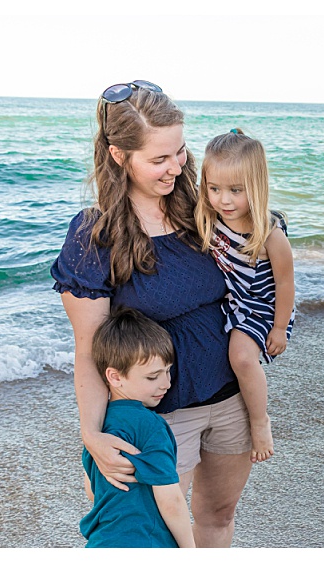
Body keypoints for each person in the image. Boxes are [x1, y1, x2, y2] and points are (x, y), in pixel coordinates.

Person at [52, 80, 253, 547]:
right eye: (159, 160)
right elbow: (90, 350)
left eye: (180, 152)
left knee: (218, 516)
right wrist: (92, 435)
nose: (176, 167)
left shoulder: (201, 208)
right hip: (159, 417)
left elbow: (259, 239)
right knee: (154, 532)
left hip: (228, 399)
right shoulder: (93, 235)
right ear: (119, 156)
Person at [195, 128, 296, 463]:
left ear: (256, 187)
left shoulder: (269, 232)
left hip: (262, 307)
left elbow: (285, 283)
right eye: (215, 189)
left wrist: (279, 328)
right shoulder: (210, 216)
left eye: (235, 190)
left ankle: (259, 420)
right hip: (233, 300)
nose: (224, 200)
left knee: (240, 357)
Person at [80, 308, 194, 548]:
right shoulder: (151, 425)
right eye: (153, 377)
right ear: (115, 376)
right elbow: (171, 500)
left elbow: (91, 490)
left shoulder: (97, 427)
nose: (166, 383)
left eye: (168, 371)